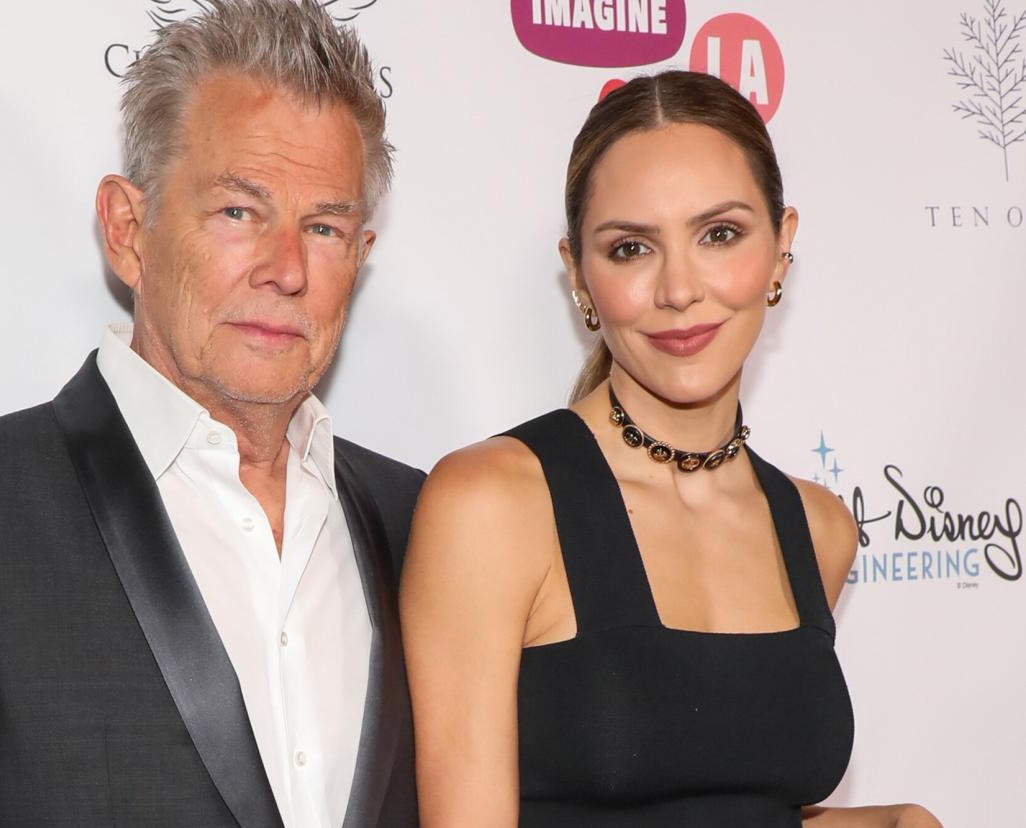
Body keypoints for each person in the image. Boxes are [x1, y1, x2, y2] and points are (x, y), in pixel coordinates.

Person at [0, 2, 420, 826]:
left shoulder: (423, 522)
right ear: (129, 231)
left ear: (360, 257)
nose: (287, 268)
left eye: (326, 227)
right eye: (239, 211)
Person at [401, 71, 941, 827]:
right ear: (579, 275)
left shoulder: (818, 529)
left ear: (782, 248)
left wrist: (891, 822)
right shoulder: (493, 505)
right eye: (630, 248)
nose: (680, 289)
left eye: (719, 234)